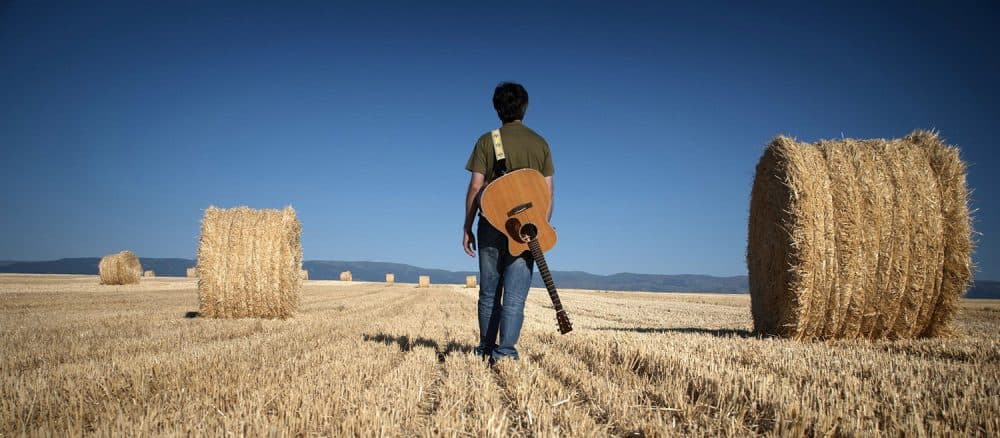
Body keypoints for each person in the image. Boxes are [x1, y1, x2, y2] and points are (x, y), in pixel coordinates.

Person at [462, 82, 555, 364]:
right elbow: (547, 193)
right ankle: (506, 353)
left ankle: (485, 350)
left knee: (489, 293)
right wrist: (537, 228)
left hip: (491, 224)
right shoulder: (540, 144)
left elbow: (476, 188)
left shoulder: (487, 141)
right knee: (515, 297)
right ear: (524, 108)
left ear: (497, 108)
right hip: (527, 230)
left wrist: (467, 225)